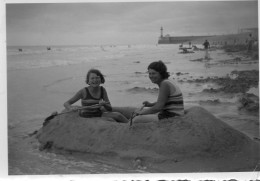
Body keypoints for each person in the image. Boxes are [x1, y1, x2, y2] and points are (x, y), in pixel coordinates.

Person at [64, 69, 129, 123]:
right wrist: (70, 108)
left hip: (98, 114)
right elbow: (66, 103)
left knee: (118, 115)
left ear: (101, 79)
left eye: (97, 78)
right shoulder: (83, 91)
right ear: (88, 81)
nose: (95, 80)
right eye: (92, 78)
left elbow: (110, 108)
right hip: (86, 116)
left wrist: (104, 104)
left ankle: (131, 125)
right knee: (110, 121)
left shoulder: (102, 90)